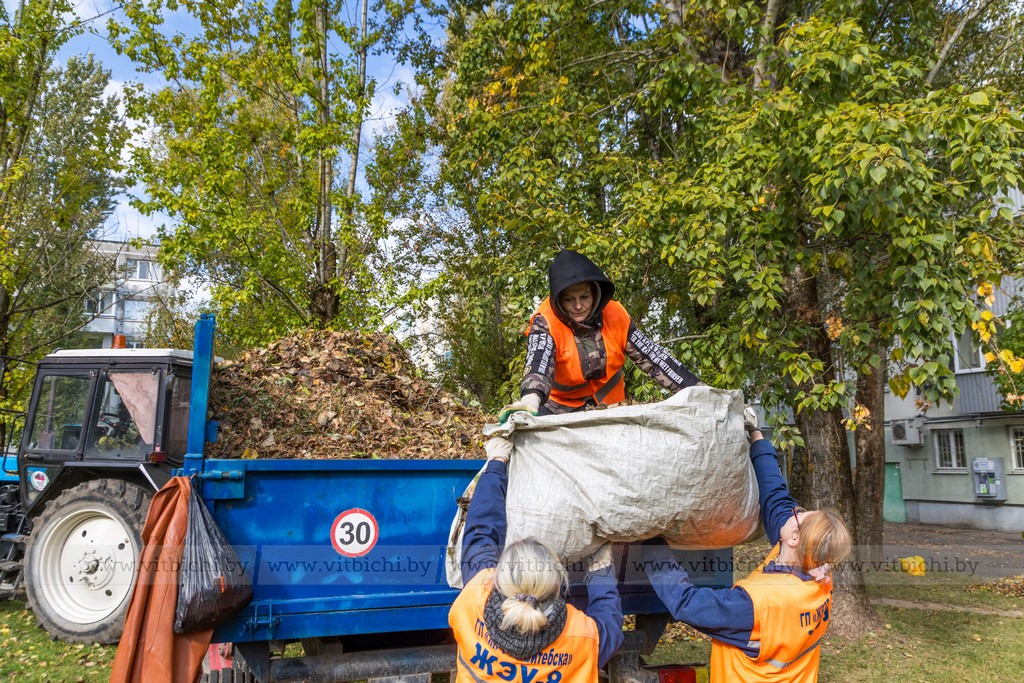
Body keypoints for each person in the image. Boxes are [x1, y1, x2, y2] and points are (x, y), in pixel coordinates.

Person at [640, 422, 852, 683]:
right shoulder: (818, 578)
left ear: (795, 538)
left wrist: (648, 541)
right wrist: (759, 440)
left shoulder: (756, 606)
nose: (795, 510)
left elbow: (686, 603)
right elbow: (777, 497)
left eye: (800, 514)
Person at [450, 436, 624, 680]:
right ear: (556, 585)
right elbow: (610, 623)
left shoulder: (474, 601)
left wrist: (497, 462)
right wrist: (601, 568)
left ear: (499, 577)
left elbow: (481, 531)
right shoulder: (581, 636)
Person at [499, 249, 702, 420]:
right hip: (558, 407)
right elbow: (538, 362)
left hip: (609, 406)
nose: (578, 306)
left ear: (595, 294)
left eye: (584, 297)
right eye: (569, 300)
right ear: (559, 300)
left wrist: (699, 392)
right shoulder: (545, 321)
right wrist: (530, 399)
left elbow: (654, 358)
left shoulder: (615, 315)